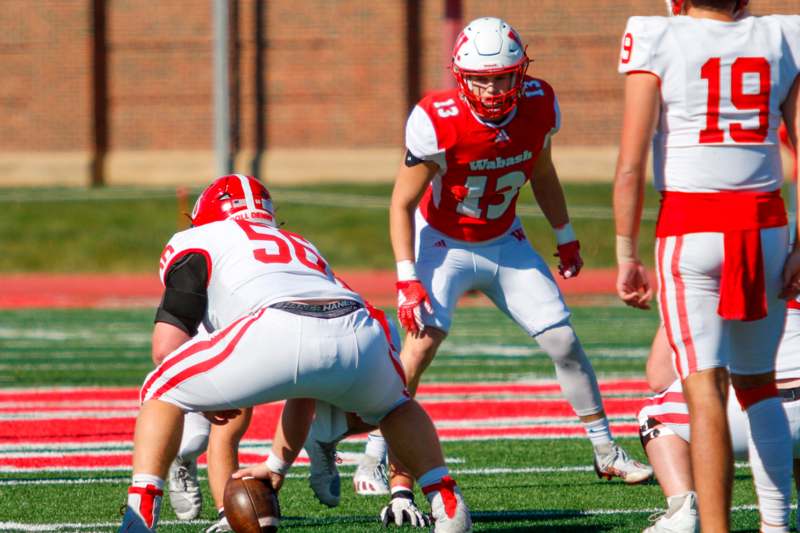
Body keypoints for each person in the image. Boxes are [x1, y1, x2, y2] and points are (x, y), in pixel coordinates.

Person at [306, 15, 651, 523]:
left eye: (504, 76)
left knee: (562, 340)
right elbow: (401, 203)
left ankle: (605, 450)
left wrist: (565, 233)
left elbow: (543, 172)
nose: (493, 88)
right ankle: (374, 456)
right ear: (461, 76)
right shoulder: (438, 117)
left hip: (504, 240)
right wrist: (406, 277)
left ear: (522, 71)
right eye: (482, 78)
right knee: (418, 347)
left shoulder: (539, 104)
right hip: (442, 242)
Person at [117, 174, 472, 533]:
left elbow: (166, 348)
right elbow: (306, 383)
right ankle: (449, 504)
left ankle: (140, 516)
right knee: (395, 407)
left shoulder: (197, 238)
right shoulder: (301, 244)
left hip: (276, 323)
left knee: (160, 389)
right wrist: (275, 467)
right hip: (360, 329)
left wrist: (202, 397)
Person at [613, 1, 800, 531]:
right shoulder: (783, 34)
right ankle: (776, 526)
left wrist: (625, 253)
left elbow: (629, 165)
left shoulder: (657, 36)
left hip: (691, 224)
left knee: (706, 390)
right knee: (758, 385)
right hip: (764, 223)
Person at [637, 315, 800, 532]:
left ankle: (682, 510)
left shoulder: (713, 281)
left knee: (653, 412)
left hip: (752, 409)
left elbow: (659, 378)